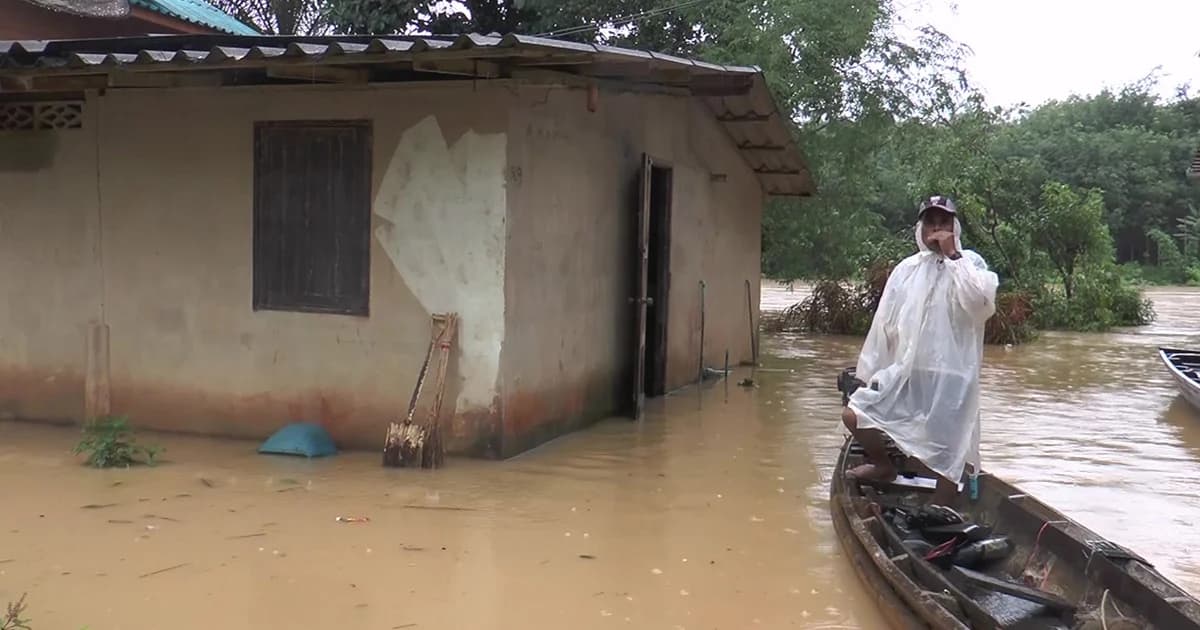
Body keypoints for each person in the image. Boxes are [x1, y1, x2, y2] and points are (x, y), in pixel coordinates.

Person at [840, 195, 998, 506]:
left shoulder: (971, 264)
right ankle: (883, 465)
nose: (937, 229)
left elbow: (980, 306)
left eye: (944, 222)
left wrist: (953, 256)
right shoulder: (907, 269)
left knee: (948, 453)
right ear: (921, 228)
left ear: (955, 227)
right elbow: (884, 323)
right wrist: (869, 372)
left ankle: (940, 509)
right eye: (931, 222)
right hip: (910, 372)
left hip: (954, 377)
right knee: (854, 414)